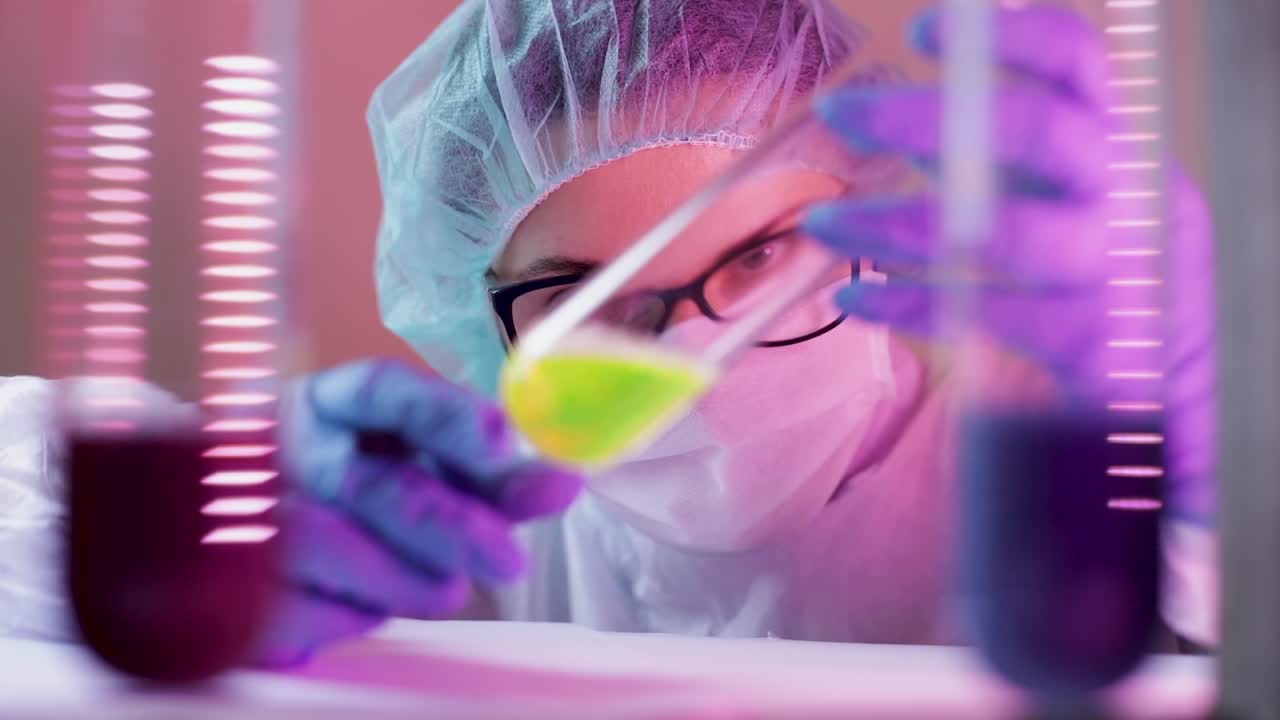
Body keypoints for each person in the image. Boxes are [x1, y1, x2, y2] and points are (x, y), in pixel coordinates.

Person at [0, 0, 1218, 666]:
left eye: (754, 258)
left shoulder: (1052, 489)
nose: (690, 357)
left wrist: (1216, 412)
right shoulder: (446, 530)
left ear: (877, 233)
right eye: (589, 301)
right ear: (479, 318)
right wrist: (196, 534)